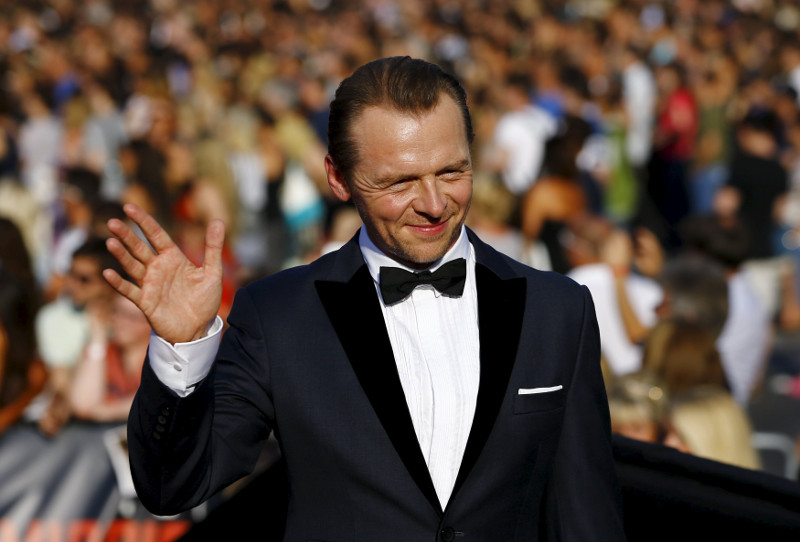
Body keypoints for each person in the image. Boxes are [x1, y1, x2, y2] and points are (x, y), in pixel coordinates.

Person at [106, 56, 625, 540]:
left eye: (451, 171)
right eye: (398, 182)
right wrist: (182, 349)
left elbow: (587, 516)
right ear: (339, 178)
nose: (433, 203)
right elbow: (172, 487)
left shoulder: (558, 310)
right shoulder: (280, 316)